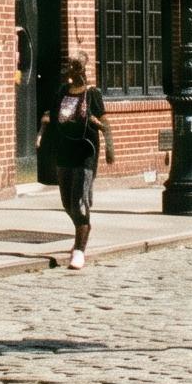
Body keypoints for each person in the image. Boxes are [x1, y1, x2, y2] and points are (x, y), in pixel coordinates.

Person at [35, 54, 107, 270]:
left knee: (79, 202)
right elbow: (51, 116)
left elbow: (104, 122)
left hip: (85, 152)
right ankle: (81, 228)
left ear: (81, 71)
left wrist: (108, 143)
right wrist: (41, 133)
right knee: (67, 201)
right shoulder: (62, 92)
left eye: (73, 68)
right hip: (64, 151)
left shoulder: (92, 94)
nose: (68, 71)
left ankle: (79, 249)